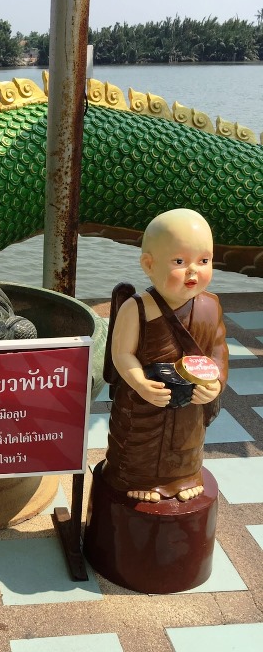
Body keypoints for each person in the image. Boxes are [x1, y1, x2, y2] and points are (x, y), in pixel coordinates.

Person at [102, 208, 228, 503]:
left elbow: (218, 353)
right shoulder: (137, 308)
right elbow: (122, 353)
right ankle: (137, 478)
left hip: (189, 400)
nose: (193, 271)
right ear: (149, 264)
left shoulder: (211, 306)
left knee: (187, 441)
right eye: (180, 262)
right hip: (147, 397)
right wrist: (140, 383)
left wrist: (215, 384)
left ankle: (183, 477)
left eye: (204, 261)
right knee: (138, 444)